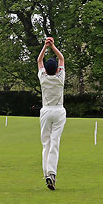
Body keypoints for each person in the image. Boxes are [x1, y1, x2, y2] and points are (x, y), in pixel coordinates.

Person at [37, 37, 66, 190]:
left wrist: (45, 46)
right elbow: (61, 58)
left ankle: (47, 174)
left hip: (46, 111)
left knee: (46, 144)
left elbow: (39, 60)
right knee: (54, 143)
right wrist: (53, 46)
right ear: (56, 69)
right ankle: (51, 173)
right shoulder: (60, 78)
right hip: (59, 111)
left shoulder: (43, 78)